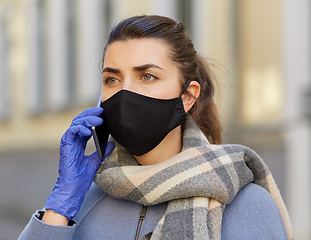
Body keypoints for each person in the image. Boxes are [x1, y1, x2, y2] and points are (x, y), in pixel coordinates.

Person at [18, 15, 293, 240]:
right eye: (112, 79)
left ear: (187, 97)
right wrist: (60, 207)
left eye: (147, 76)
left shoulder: (245, 205)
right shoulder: (82, 204)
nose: (125, 93)